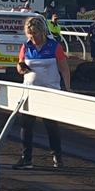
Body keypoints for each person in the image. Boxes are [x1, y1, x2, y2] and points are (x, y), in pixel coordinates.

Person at [13, 17, 71, 170]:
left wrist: (68, 87)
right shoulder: (26, 46)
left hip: (49, 92)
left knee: (51, 126)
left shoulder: (54, 47)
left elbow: (64, 69)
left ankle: (57, 158)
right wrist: (21, 68)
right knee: (26, 126)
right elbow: (19, 65)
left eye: (35, 34)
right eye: (29, 35)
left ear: (42, 32)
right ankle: (26, 159)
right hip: (30, 92)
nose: (32, 38)